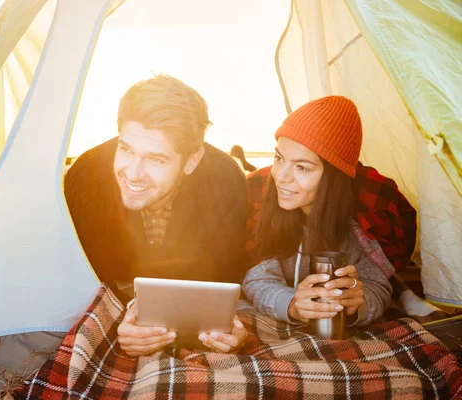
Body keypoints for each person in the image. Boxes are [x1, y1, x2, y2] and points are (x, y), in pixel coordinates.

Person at [64, 75, 249, 355]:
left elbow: (218, 279)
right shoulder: (85, 178)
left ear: (192, 160)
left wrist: (226, 330)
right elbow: (78, 276)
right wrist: (120, 319)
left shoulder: (226, 183)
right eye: (126, 149)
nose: (133, 173)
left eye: (156, 159)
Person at [243, 96, 392, 327]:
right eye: (279, 158)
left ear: (333, 177)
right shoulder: (263, 206)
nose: (281, 177)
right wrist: (292, 304)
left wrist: (358, 304)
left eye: (302, 167)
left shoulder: (362, 223)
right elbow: (257, 278)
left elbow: (378, 286)